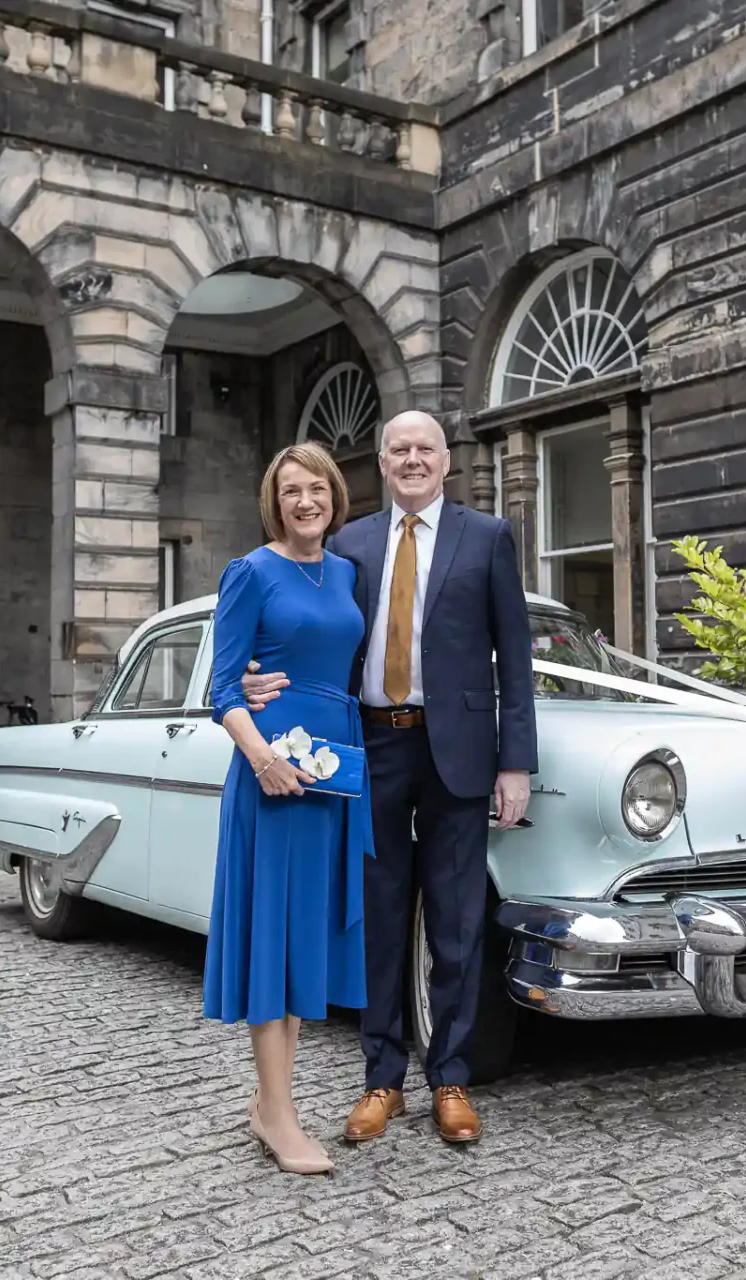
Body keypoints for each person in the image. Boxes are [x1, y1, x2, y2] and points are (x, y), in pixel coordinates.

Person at [242, 409, 536, 1145]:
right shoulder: (349, 544)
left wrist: (515, 763)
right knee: (375, 915)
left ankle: (453, 1078)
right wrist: (255, 680)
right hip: (370, 748)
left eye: (424, 448)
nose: (412, 459)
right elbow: (310, 633)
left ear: (446, 460)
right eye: (399, 449)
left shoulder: (490, 537)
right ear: (382, 461)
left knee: (458, 920)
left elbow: (515, 659)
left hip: (460, 749)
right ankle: (381, 1078)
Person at [202, 442, 371, 1177]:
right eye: (292, 491)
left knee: (306, 933)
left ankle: (272, 1101)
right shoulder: (251, 571)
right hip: (272, 777)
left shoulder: (348, 573)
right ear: (276, 502)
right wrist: (262, 758)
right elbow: (223, 691)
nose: (306, 501)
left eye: (317, 489)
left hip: (334, 774)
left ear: (335, 495)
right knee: (273, 936)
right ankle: (277, 1112)